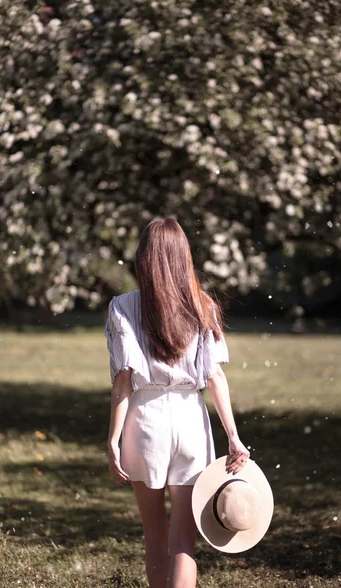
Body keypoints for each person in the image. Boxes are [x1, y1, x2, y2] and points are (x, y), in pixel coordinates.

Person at [104, 218, 250, 588]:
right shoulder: (203, 306)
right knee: (184, 539)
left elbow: (123, 381)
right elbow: (215, 377)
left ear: (144, 258)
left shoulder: (123, 306)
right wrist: (233, 437)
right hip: (190, 419)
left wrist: (112, 440)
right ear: (183, 257)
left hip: (145, 421)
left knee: (155, 535)